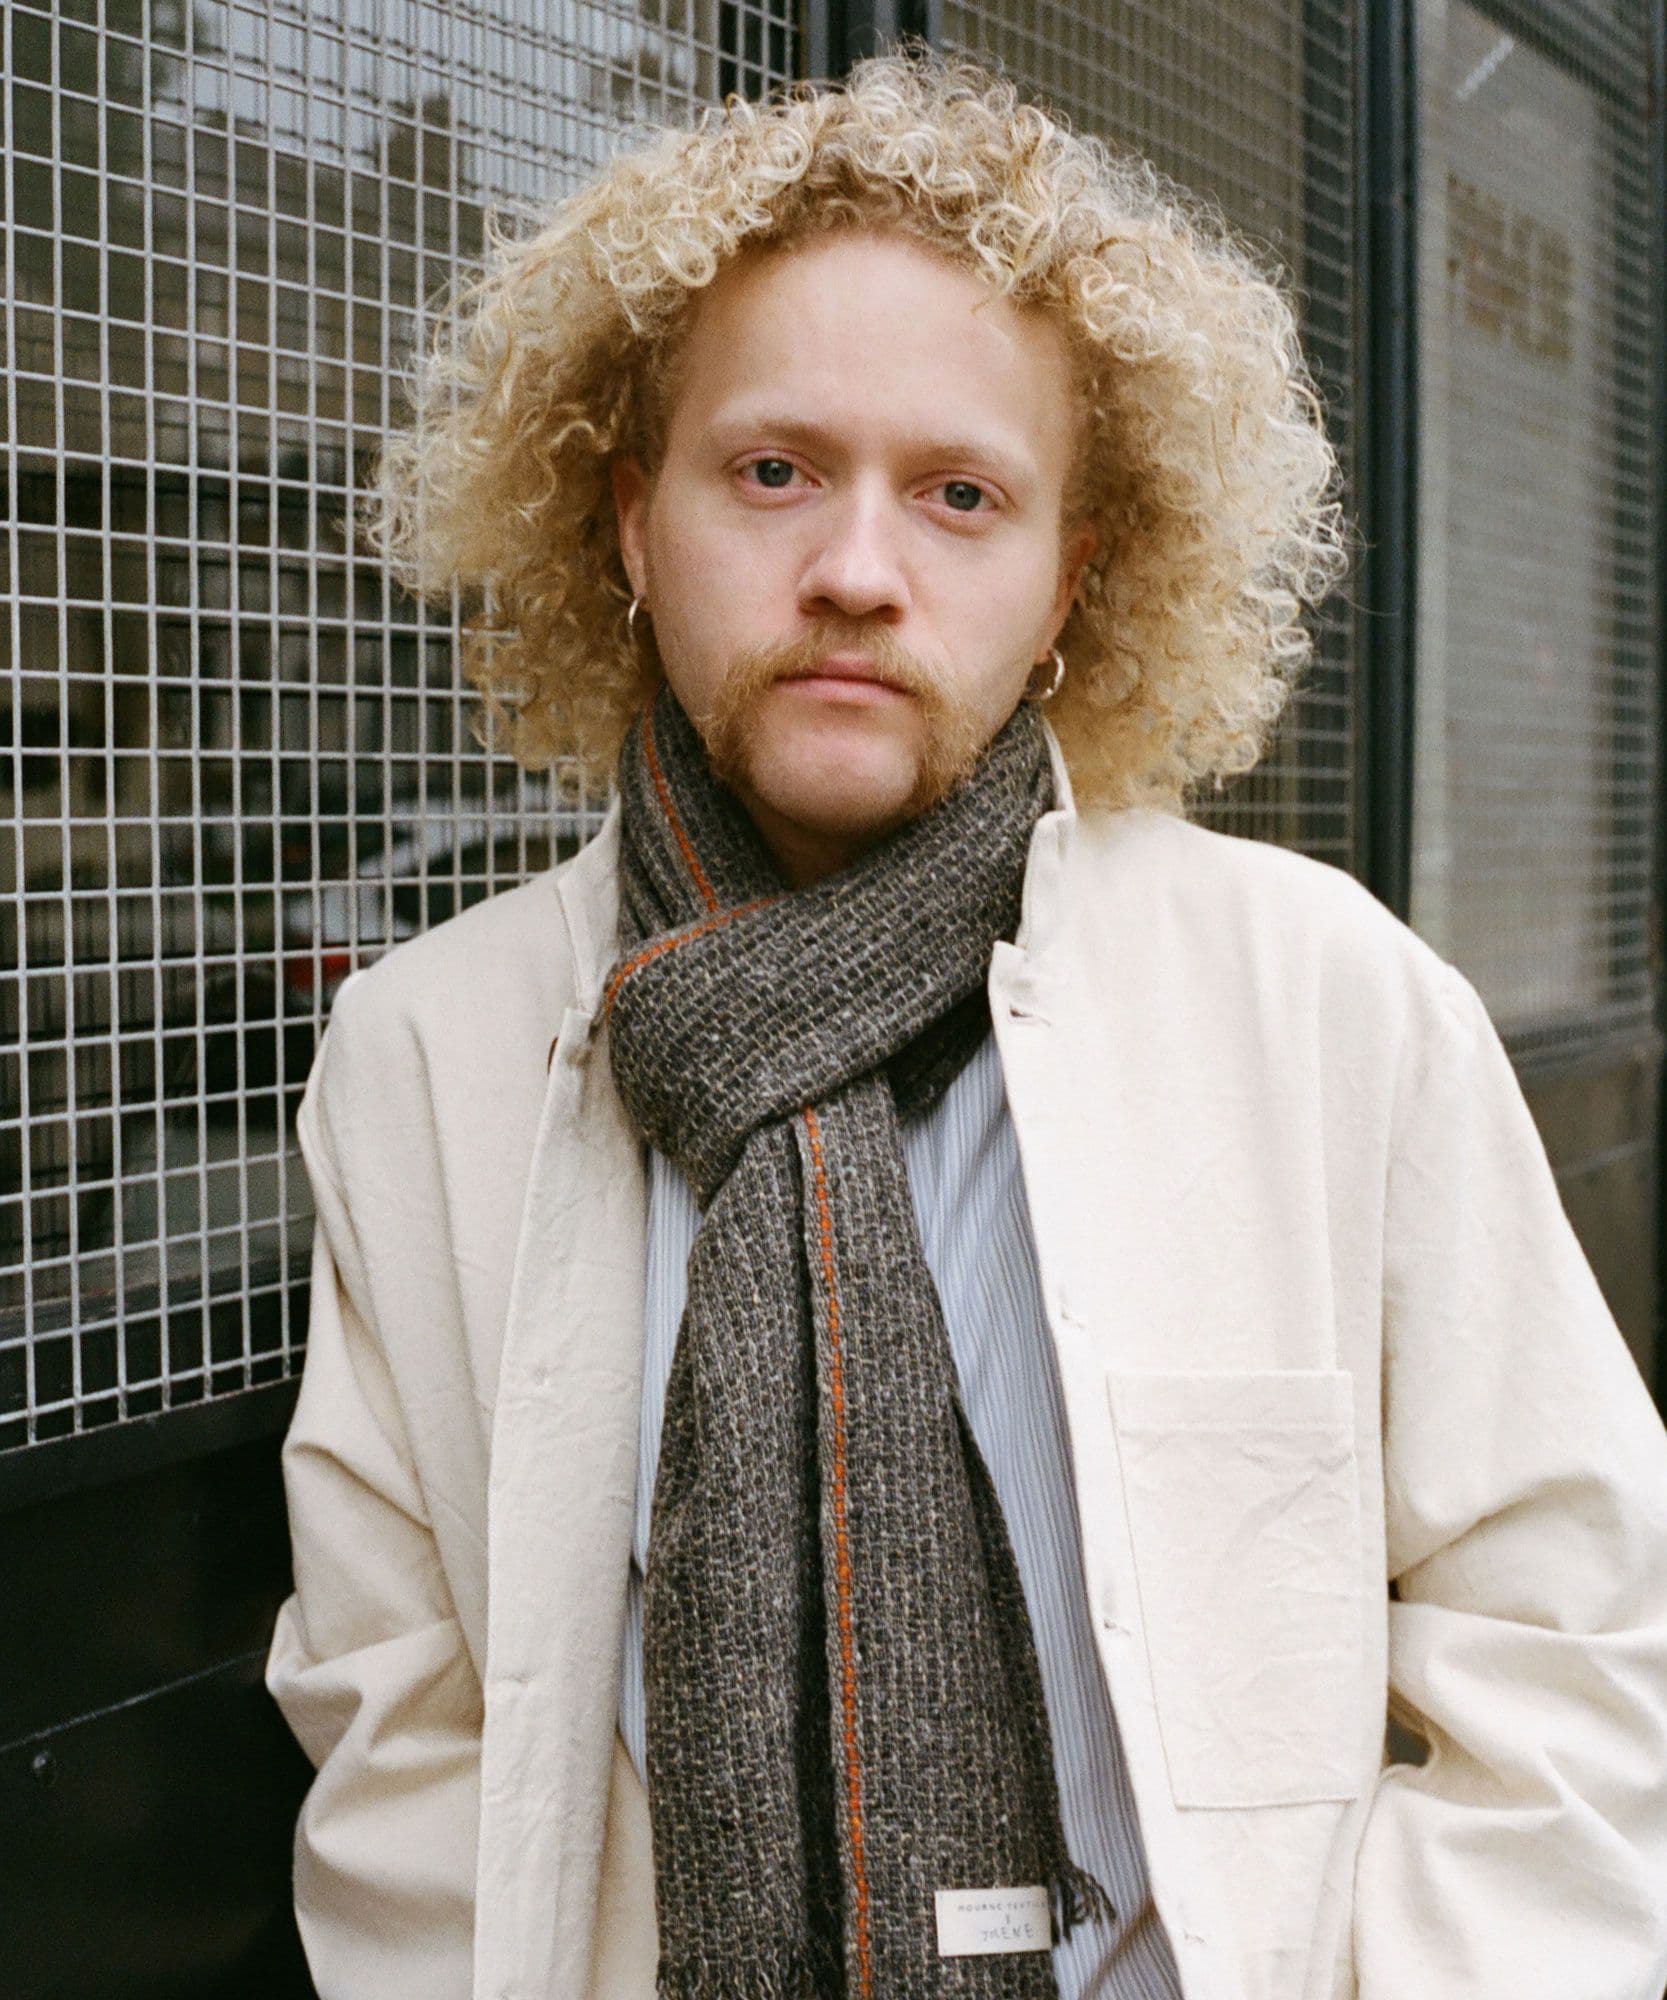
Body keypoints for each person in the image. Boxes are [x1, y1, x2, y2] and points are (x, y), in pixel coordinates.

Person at [264, 45, 1667, 2000]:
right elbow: (402, 1736)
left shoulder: (1327, 1006)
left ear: (1073, 571)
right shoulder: (426, 1056)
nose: (856, 568)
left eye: (960, 494)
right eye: (773, 468)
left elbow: (1580, 1646)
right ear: (627, 521)